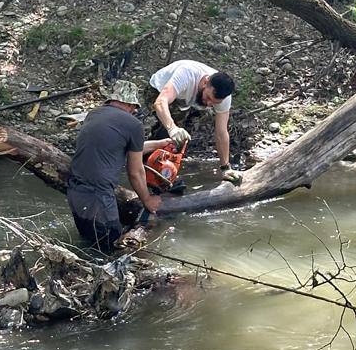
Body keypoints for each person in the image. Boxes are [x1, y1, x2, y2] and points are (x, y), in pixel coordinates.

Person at [66, 81, 165, 253]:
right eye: (134, 107)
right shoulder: (133, 125)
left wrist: (161, 144)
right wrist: (147, 200)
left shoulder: (93, 114)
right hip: (99, 196)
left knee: (87, 246)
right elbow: (135, 172)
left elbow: (120, 146)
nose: (134, 111)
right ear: (129, 103)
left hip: (74, 190)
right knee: (112, 250)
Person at [148, 59, 242, 183]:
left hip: (187, 102)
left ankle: (166, 172)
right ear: (205, 82)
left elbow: (221, 132)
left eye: (214, 103)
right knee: (164, 133)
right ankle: (148, 167)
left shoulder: (224, 98)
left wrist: (226, 167)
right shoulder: (186, 74)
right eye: (208, 98)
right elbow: (160, 102)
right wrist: (172, 128)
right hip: (158, 90)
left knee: (182, 141)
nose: (209, 104)